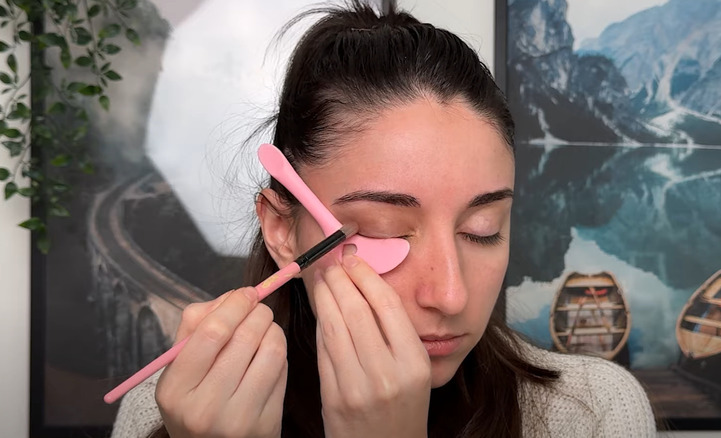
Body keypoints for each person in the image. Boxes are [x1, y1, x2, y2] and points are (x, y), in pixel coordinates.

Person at [111, 1, 655, 437]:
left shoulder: (592, 415)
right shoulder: (168, 412)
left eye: (482, 231)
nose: (450, 295)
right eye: (383, 234)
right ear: (282, 230)